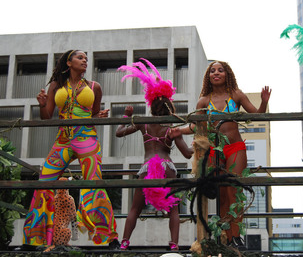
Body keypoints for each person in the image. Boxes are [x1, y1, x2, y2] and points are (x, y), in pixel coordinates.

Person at [20, 50, 119, 250]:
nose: (84, 61)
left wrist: (98, 117)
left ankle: (111, 239)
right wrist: (41, 105)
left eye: (86, 59)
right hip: (63, 140)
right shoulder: (57, 85)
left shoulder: (94, 87)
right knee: (43, 182)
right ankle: (32, 240)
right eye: (80, 58)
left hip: (86, 139)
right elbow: (47, 116)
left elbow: (92, 113)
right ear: (69, 62)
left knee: (93, 183)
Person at [172, 61, 271, 248]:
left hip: (235, 147)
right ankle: (227, 235)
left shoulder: (236, 95)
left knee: (234, 190)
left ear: (227, 74)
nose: (216, 73)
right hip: (215, 151)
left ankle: (236, 236)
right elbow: (196, 126)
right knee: (223, 194)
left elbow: (257, 115)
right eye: (212, 70)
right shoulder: (203, 101)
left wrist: (264, 101)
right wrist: (179, 131)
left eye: (220, 70)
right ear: (208, 76)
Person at [115, 59, 193, 251]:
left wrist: (126, 115)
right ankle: (174, 244)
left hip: (147, 167)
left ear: (151, 105)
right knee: (173, 209)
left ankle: (125, 242)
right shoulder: (172, 129)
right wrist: (201, 144)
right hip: (168, 167)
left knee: (135, 208)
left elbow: (119, 132)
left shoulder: (143, 124)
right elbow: (188, 154)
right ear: (169, 108)